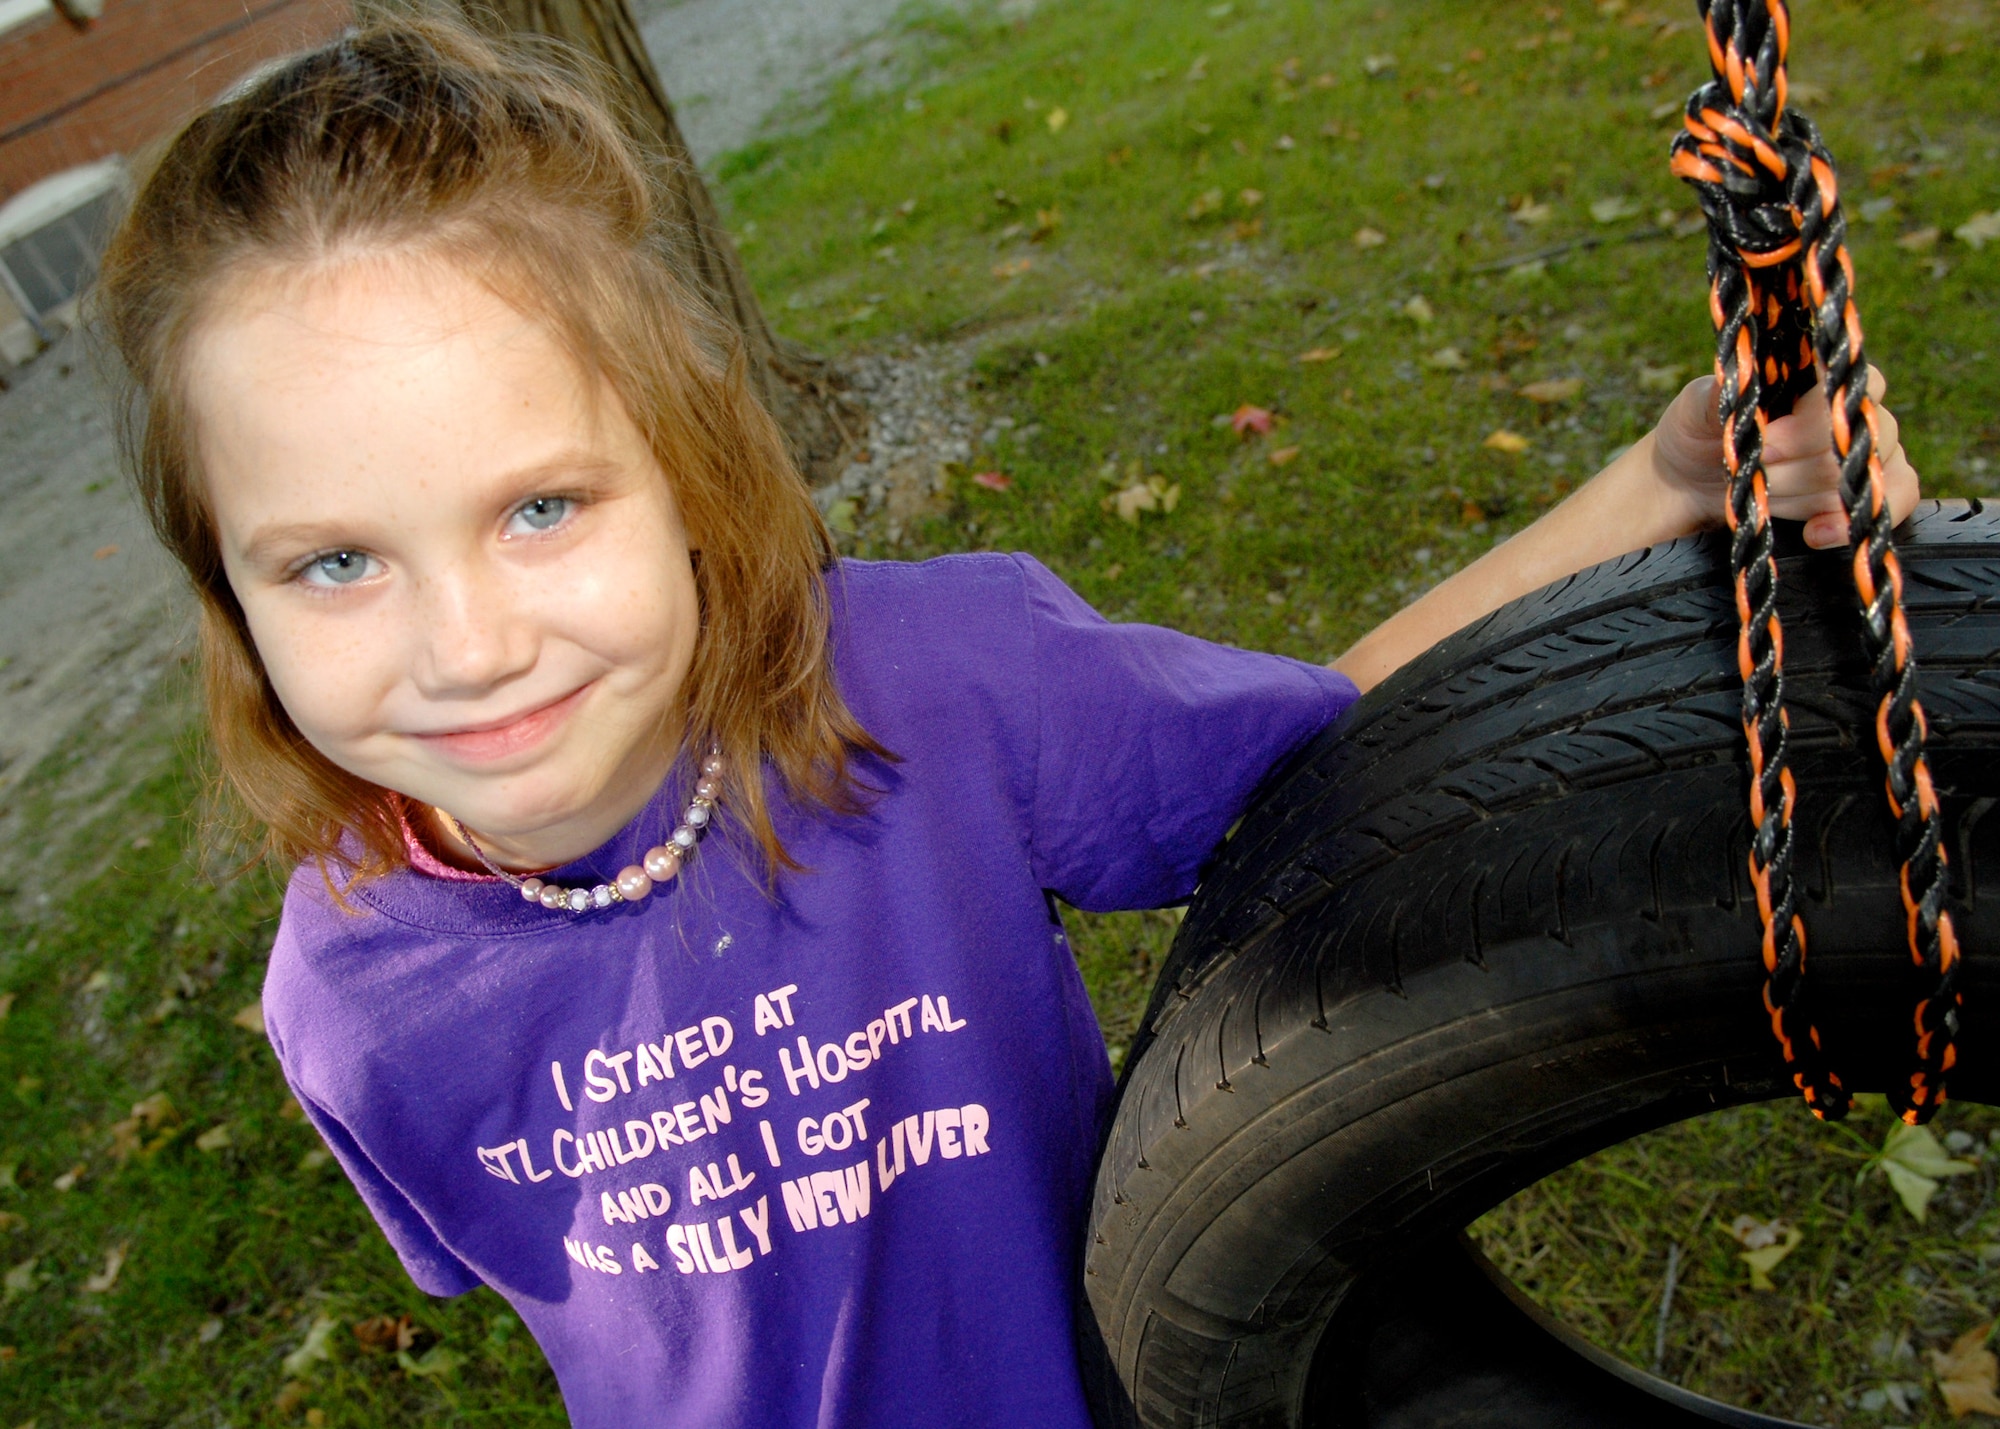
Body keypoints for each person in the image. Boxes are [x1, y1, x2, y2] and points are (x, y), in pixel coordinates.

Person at [94, 17, 1918, 1428]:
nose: (469, 644)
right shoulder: (347, 1003)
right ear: (228, 596)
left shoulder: (942, 687)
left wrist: (1653, 486)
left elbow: (1350, 753)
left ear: (694, 473)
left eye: (542, 508)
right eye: (333, 562)